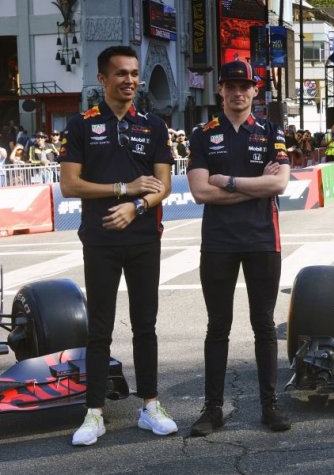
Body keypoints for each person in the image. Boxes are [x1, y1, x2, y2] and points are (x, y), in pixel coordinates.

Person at [59, 45, 177, 446]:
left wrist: (137, 206)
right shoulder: (81, 125)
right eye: (121, 73)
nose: (129, 80)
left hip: (144, 238)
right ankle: (94, 412)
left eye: (134, 73)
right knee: (100, 329)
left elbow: (163, 185)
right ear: (102, 79)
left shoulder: (153, 126)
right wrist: (123, 189)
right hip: (100, 240)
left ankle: (151, 406)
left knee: (146, 325)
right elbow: (70, 185)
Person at [186, 61, 291, 437]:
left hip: (263, 239)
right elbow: (200, 192)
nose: (237, 92)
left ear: (255, 91)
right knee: (218, 326)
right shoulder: (202, 135)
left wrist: (227, 181)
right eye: (230, 85)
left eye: (244, 86)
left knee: (264, 324)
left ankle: (270, 406)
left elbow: (279, 185)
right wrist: (254, 186)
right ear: (220, 90)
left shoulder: (271, 131)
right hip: (218, 242)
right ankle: (212, 409)